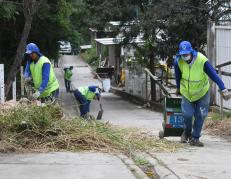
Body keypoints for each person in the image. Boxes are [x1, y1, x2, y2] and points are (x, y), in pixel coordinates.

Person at [174, 41, 230, 147]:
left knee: (200, 115)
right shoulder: (178, 61)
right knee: (187, 114)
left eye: (186, 54)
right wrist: (178, 88)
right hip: (187, 92)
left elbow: (213, 74)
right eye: (183, 55)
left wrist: (223, 88)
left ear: (191, 52)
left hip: (202, 92)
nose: (185, 56)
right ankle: (187, 132)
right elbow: (177, 76)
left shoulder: (201, 60)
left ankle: (195, 138)